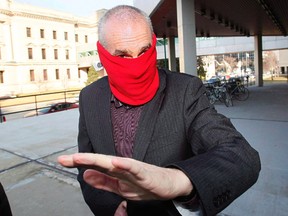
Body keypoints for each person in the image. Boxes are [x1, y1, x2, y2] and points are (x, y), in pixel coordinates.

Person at [58, 5, 261, 216]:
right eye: (124, 56)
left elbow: (241, 155)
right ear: (104, 53)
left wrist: (177, 181)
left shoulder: (184, 91)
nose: (136, 65)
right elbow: (87, 165)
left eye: (144, 51)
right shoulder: (90, 96)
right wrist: (111, 207)